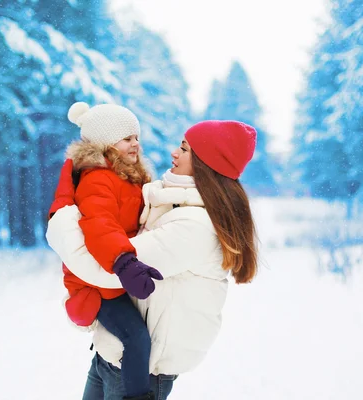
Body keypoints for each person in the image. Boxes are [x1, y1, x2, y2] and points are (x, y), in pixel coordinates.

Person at [47, 120, 259, 399]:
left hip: (140, 374)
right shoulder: (168, 200)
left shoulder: (193, 225)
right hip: (112, 356)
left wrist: (61, 218)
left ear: (205, 164)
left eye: (184, 149)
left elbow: (106, 267)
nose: (174, 153)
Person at [50, 102, 164, 400]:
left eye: (137, 137)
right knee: (136, 338)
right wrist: (125, 262)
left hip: (109, 274)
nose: (135, 143)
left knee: (112, 351)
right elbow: (100, 225)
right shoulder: (98, 178)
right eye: (127, 138)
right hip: (95, 284)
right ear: (105, 143)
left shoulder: (126, 176)